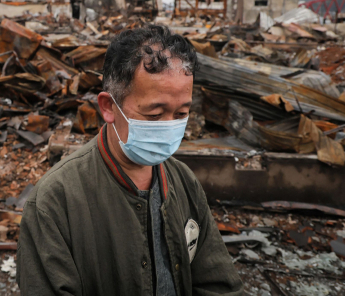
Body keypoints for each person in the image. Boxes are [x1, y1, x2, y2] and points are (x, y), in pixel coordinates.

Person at [17, 25, 243, 296]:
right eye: (154, 115)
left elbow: (217, 285)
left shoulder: (184, 183)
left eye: (181, 113)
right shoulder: (55, 202)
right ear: (109, 107)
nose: (169, 126)